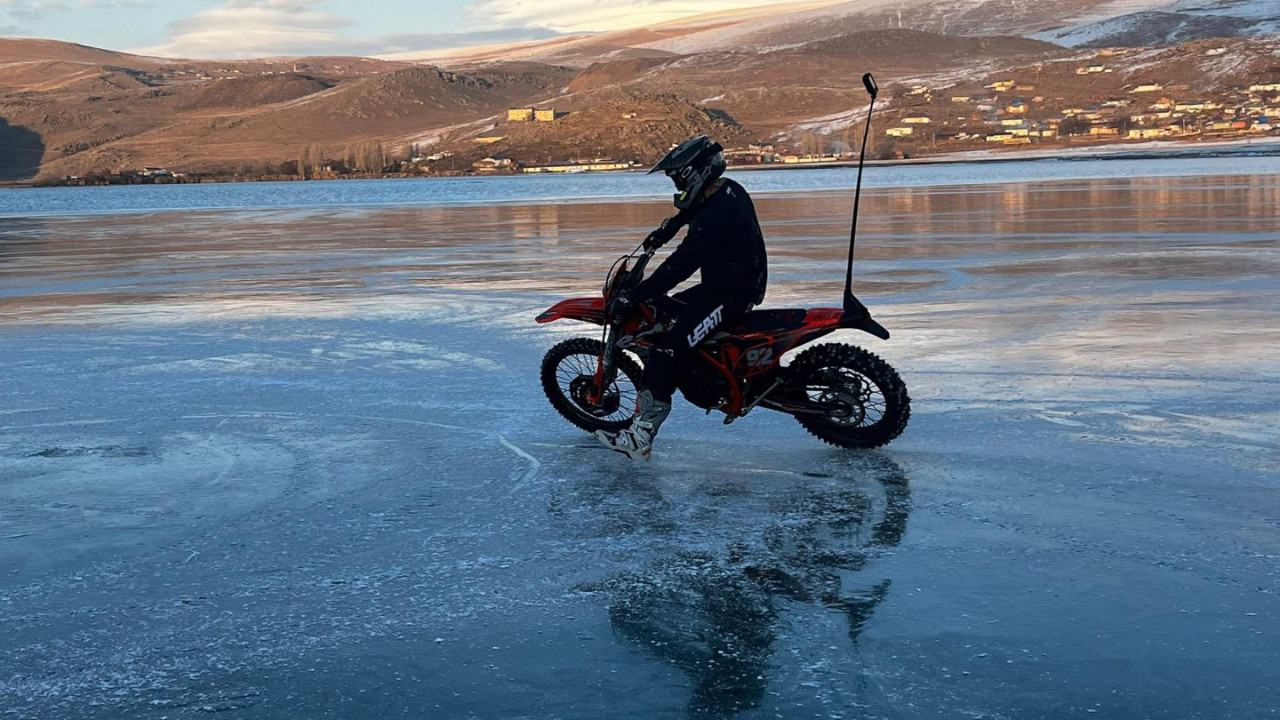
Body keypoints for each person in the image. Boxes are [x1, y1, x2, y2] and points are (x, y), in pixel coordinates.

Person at [596, 135, 768, 460]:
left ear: (694, 173)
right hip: (729, 284)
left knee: (667, 349)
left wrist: (638, 293)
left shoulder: (715, 215)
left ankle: (640, 437)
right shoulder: (726, 191)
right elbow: (689, 212)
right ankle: (697, 373)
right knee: (666, 313)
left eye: (678, 178)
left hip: (729, 295)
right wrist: (662, 234)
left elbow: (681, 265)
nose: (677, 184)